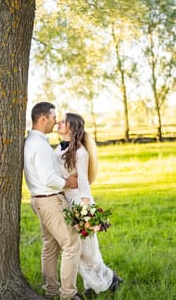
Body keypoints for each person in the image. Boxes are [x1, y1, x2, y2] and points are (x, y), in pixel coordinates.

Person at [55, 112, 123, 297]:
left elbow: (83, 180)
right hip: (65, 202)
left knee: (88, 250)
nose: (59, 123)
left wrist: (86, 208)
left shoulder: (80, 152)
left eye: (63, 121)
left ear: (72, 127)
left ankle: (108, 280)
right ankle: (93, 284)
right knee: (76, 248)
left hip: (79, 201)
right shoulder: (58, 149)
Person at [23, 102, 84, 300]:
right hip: (49, 201)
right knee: (72, 244)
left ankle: (51, 290)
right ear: (42, 119)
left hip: (40, 200)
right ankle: (67, 295)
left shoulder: (33, 141)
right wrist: (67, 182)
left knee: (50, 247)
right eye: (53, 117)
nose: (56, 121)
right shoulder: (39, 145)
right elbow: (47, 178)